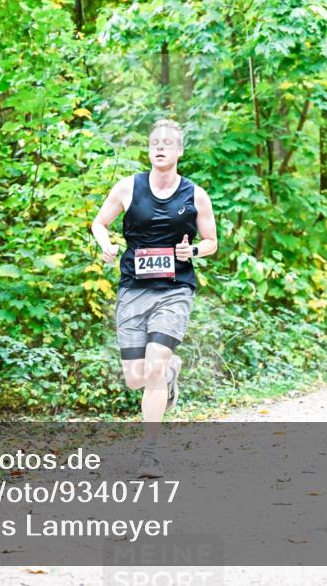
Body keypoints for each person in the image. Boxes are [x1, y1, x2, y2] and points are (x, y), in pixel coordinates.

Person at [91, 119, 217, 478]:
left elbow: (211, 241)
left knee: (154, 368)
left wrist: (191, 250)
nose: (160, 148)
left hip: (175, 291)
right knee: (135, 378)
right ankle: (171, 370)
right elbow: (99, 223)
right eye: (154, 143)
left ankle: (149, 453)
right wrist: (107, 246)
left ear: (179, 151)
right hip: (134, 289)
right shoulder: (128, 187)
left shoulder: (195, 194)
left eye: (167, 143)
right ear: (149, 150)